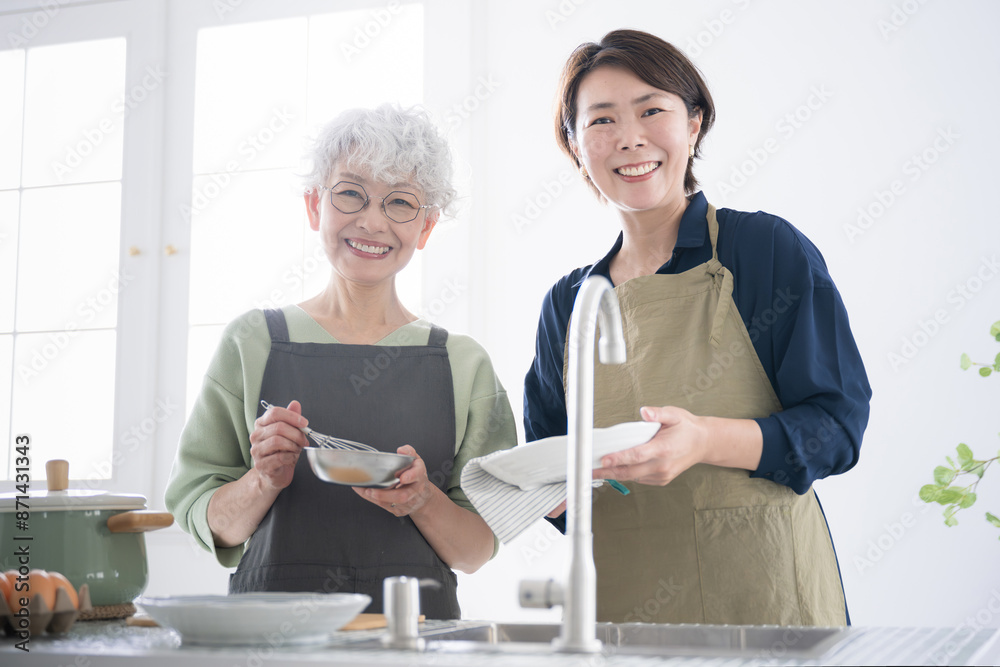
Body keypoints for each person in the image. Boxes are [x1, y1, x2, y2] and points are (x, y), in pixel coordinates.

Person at [523, 29, 871, 627]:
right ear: (576, 146)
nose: (629, 138)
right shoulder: (570, 304)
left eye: (651, 110)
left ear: (694, 123)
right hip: (622, 616)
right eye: (601, 120)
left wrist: (705, 441)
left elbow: (837, 428)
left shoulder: (762, 250)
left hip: (769, 610)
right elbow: (551, 478)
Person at [165, 104, 517, 619]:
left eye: (400, 203)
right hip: (273, 639)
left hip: (415, 641)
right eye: (351, 193)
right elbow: (214, 524)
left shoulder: (462, 364)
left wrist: (422, 499)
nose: (372, 221)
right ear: (315, 206)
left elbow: (476, 549)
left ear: (426, 227)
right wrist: (262, 479)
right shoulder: (254, 341)